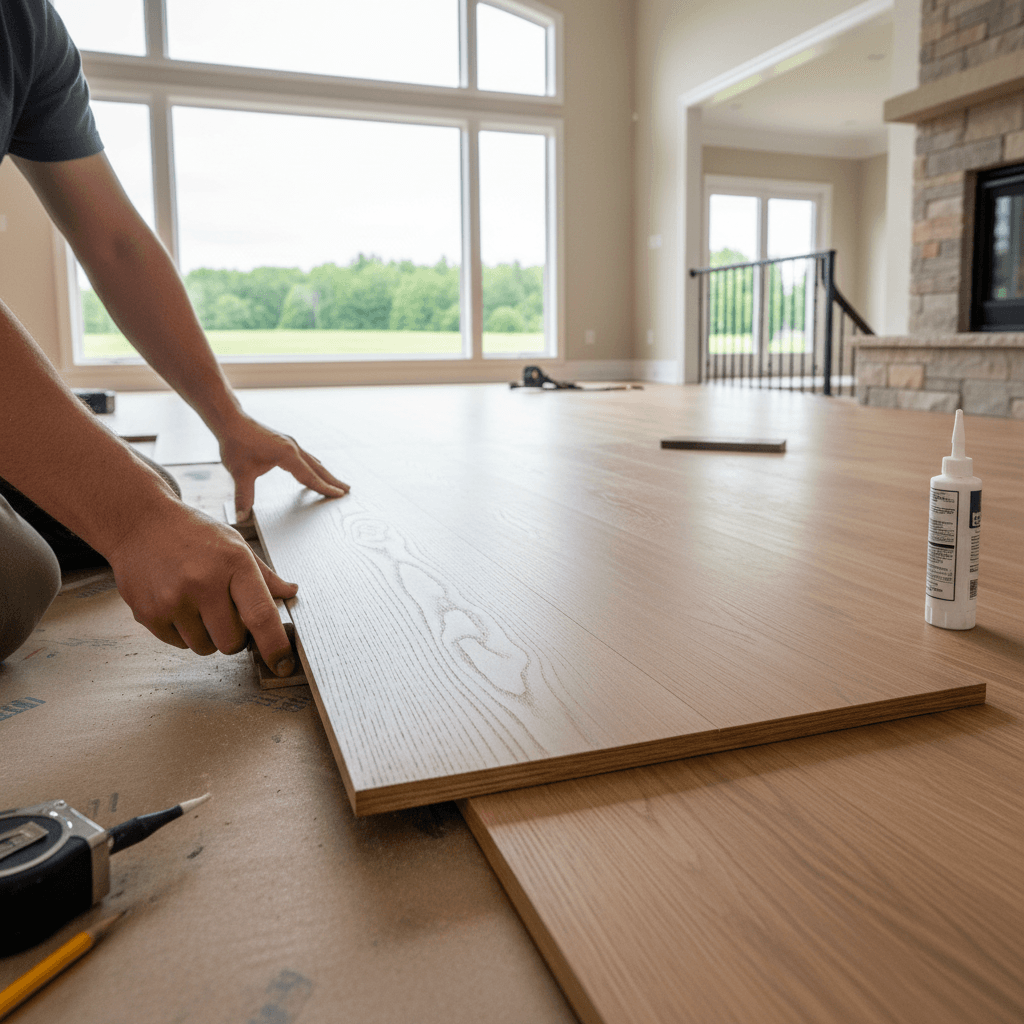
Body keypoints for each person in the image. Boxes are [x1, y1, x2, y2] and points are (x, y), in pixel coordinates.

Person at [0, 0, 348, 668]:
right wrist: (131, 521)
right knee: (15, 583)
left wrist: (228, 419)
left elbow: (117, 243)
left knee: (153, 486)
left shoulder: (25, 27)